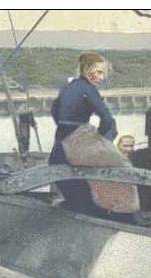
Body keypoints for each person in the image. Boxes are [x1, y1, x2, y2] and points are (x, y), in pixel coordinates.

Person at [48, 52, 118, 216]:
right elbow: (107, 119)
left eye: (103, 74)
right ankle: (90, 212)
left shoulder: (68, 87)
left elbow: (54, 110)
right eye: (99, 72)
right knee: (86, 186)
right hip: (78, 142)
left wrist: (63, 125)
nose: (101, 78)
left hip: (60, 143)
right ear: (87, 69)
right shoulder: (89, 90)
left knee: (61, 175)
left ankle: (75, 208)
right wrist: (98, 138)